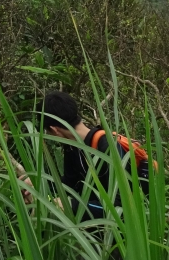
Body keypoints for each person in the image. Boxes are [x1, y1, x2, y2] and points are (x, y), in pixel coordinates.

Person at [38, 90, 153, 219]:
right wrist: (38, 182)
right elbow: (70, 183)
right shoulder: (72, 147)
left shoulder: (109, 147)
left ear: (55, 130)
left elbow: (120, 207)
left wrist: (72, 205)